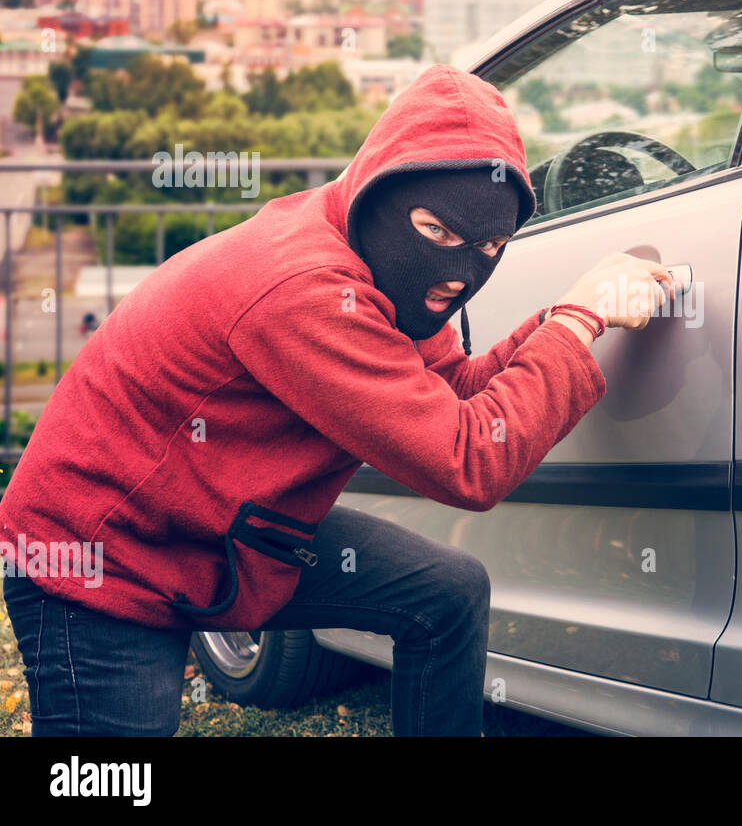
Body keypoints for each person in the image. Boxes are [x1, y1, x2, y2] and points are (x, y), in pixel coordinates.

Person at [0, 64, 672, 736]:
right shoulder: (306, 289)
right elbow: (471, 462)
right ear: (383, 189)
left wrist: (565, 316)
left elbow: (457, 394)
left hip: (222, 524)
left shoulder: (381, 258)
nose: (459, 270)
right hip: (101, 552)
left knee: (445, 594)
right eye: (437, 231)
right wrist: (576, 324)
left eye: (489, 246)